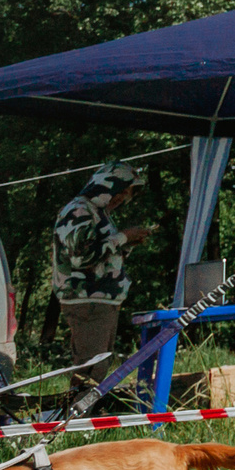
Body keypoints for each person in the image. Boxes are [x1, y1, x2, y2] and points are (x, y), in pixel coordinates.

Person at [51, 163, 150, 399]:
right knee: (90, 368)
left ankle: (83, 417)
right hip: (86, 302)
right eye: (119, 193)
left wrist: (126, 245)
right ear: (106, 185)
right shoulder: (79, 211)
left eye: (125, 196)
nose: (121, 200)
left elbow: (101, 259)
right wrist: (123, 237)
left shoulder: (97, 213)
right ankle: (75, 421)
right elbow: (81, 256)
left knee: (98, 367)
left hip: (99, 300)